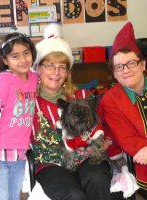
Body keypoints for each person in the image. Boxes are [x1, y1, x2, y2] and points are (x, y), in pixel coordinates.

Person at [31, 23, 112, 200]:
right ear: (38, 68)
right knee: (74, 195)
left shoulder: (83, 95)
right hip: (51, 165)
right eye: (50, 65)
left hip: (86, 156)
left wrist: (97, 145)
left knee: (96, 178)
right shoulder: (28, 104)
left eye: (62, 66)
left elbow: (102, 128)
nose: (56, 72)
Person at [99, 22, 147, 200]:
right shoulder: (110, 101)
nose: (125, 71)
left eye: (131, 63)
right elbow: (130, 143)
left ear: (143, 64)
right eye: (119, 66)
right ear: (113, 72)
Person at [0, 32, 38, 200]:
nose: (23, 60)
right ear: (5, 60)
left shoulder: (34, 78)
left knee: (14, 197)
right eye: (15, 56)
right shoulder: (2, 81)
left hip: (19, 156)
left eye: (26, 53)